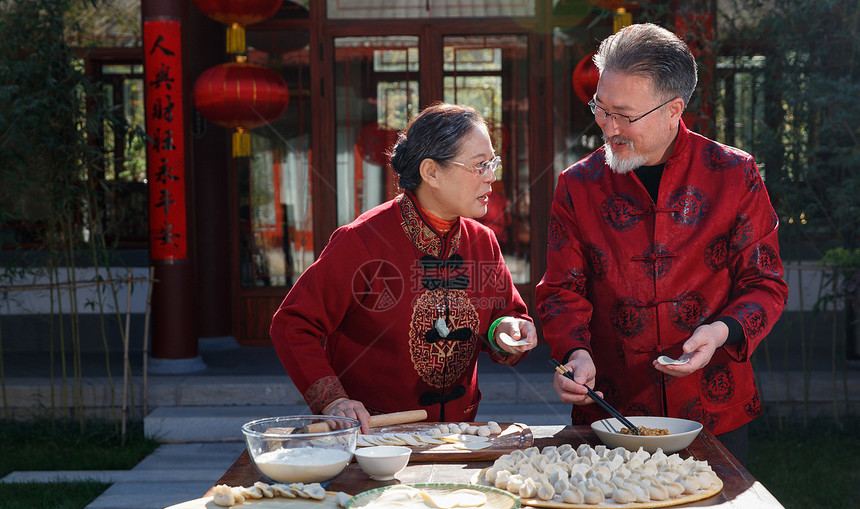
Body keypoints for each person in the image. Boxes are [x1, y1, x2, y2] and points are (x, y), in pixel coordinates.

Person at [535, 23, 788, 465]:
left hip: (713, 405)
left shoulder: (733, 174)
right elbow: (561, 291)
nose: (607, 126)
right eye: (599, 108)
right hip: (610, 408)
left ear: (673, 109)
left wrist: (719, 332)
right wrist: (575, 353)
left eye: (624, 115)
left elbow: (765, 283)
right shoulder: (577, 185)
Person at [271, 102, 537, 434]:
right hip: (373, 438)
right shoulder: (362, 242)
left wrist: (507, 330)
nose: (492, 176)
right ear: (432, 172)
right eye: (479, 165)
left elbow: (505, 314)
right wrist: (333, 401)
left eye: (492, 162)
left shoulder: (482, 242)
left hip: (457, 437)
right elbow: (293, 323)